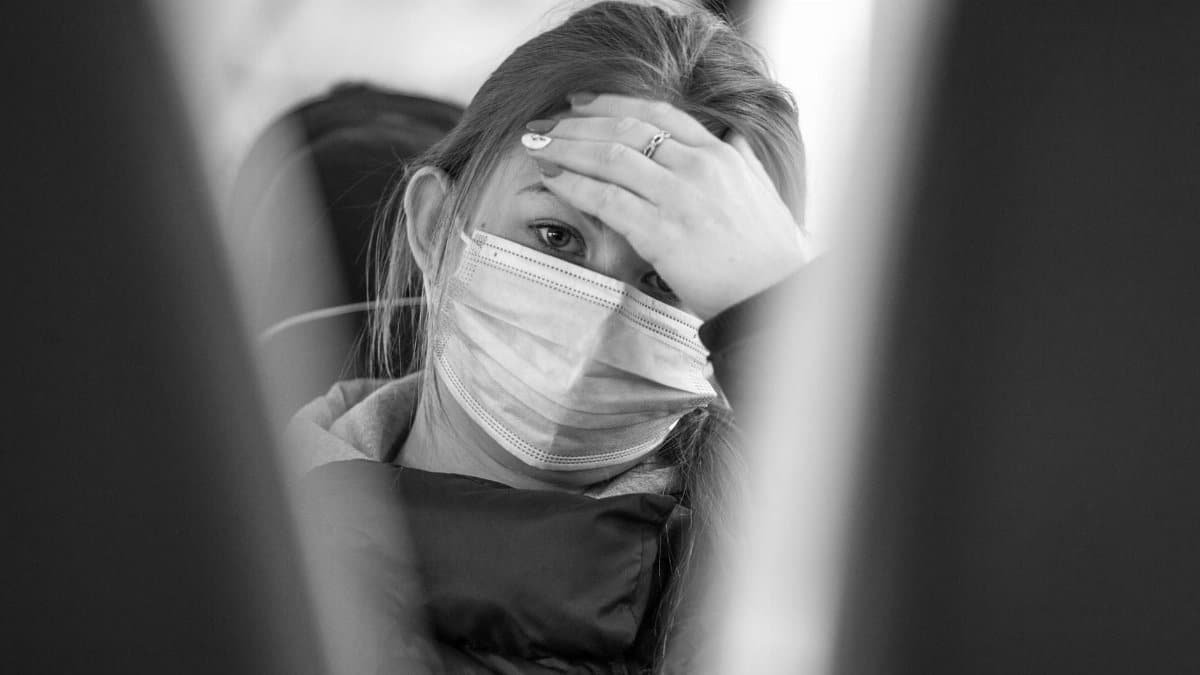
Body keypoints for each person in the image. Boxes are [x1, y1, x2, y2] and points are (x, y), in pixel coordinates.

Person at [290, 2, 812, 672]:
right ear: (434, 228)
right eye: (557, 236)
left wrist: (773, 316)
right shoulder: (217, 539)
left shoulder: (763, 620)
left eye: (665, 282)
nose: (595, 318)